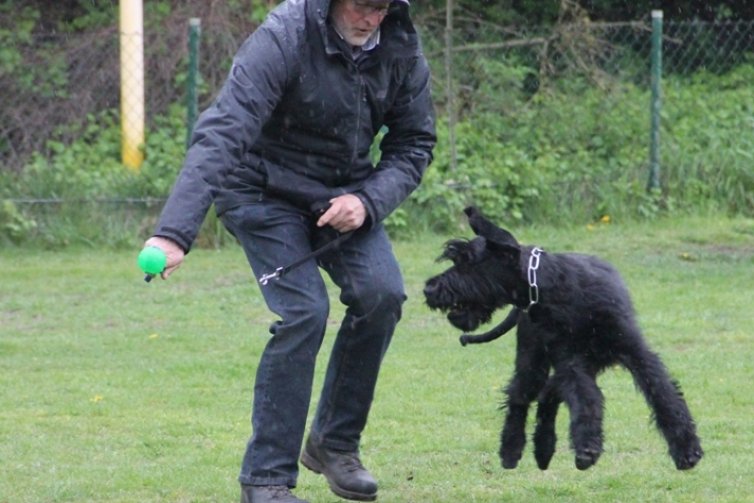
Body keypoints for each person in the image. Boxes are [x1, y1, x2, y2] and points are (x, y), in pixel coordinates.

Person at [141, 0, 436, 501]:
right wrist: (174, 232)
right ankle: (267, 480)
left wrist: (366, 201)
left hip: (341, 195)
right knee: (304, 312)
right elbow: (225, 129)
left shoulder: (399, 47)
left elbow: (414, 143)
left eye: (381, 8)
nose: (370, 19)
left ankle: (333, 444)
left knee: (382, 295)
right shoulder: (285, 35)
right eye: (361, 6)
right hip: (260, 190)